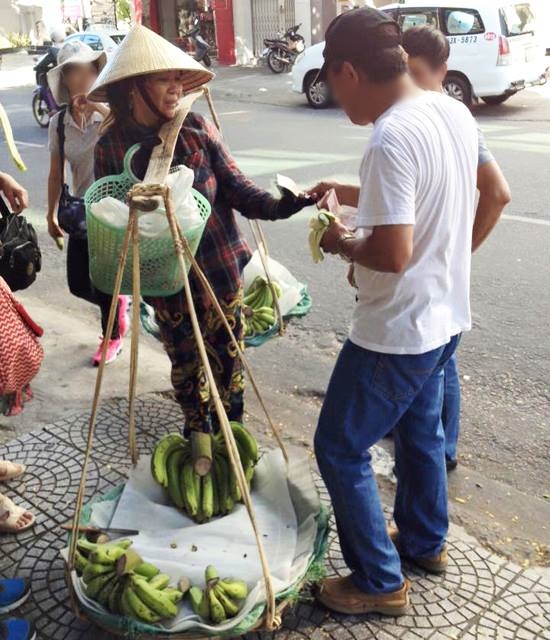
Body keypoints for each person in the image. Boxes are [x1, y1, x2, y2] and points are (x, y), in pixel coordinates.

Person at [309, 7, 478, 616]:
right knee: (420, 433)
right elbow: (445, 199)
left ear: (350, 70)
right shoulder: (449, 110)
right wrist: (351, 199)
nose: (334, 96)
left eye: (332, 82)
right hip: (445, 316)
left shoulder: (389, 136)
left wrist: (339, 241)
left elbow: (391, 250)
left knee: (339, 448)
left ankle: (379, 582)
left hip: (397, 330)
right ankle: (426, 541)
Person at [88, 26, 311, 435]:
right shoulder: (111, 147)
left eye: (178, 78)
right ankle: (199, 441)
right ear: (134, 88)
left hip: (219, 272)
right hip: (166, 283)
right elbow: (108, 216)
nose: (176, 88)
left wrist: (282, 206)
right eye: (163, 79)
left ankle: (233, 440)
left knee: (228, 369)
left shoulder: (195, 129)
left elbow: (238, 190)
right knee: (186, 371)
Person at [401, 25, 511, 470]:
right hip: (439, 274)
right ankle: (439, 451)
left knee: (436, 361)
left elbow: (498, 193)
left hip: (429, 277)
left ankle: (437, 455)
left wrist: (461, 252)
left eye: (414, 73)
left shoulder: (447, 117)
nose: (405, 83)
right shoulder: (442, 115)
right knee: (443, 358)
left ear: (442, 71)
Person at [46, 40, 130, 366]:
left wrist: (96, 107)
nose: (81, 79)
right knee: (78, 284)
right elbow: (55, 174)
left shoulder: (111, 115)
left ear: (98, 74)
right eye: (73, 73)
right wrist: (51, 214)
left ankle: (112, 336)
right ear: (65, 80)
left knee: (104, 280)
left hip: (114, 208)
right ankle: (118, 306)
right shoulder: (59, 124)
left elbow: (127, 133)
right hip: (81, 211)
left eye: (87, 71)